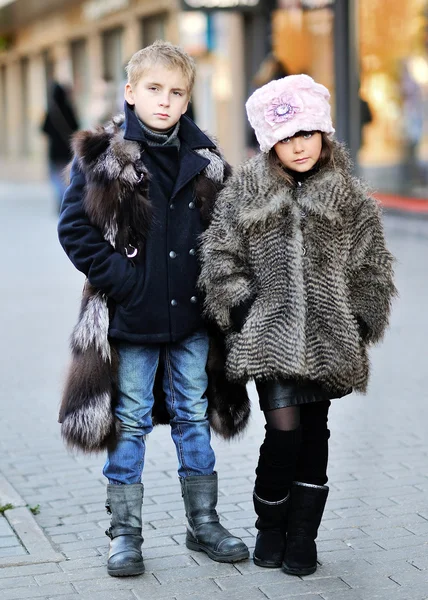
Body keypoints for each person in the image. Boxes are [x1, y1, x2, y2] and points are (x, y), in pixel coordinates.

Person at [57, 40, 250, 578]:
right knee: (132, 419)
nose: (164, 101)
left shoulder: (208, 161)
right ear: (130, 93)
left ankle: (203, 521)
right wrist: (123, 280)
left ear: (187, 100)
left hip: (191, 318)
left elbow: (229, 234)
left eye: (176, 92)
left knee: (193, 412)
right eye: (153, 89)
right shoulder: (105, 158)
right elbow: (74, 228)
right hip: (133, 319)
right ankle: (125, 532)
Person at [198, 74, 396, 576]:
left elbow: (373, 267)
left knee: (316, 432)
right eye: (286, 137)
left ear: (323, 134)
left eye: (306, 133)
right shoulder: (245, 192)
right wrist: (246, 313)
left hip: (329, 340)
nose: (298, 146)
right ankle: (271, 525)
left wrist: (355, 318)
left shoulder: (349, 196)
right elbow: (220, 257)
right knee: (283, 431)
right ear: (270, 144)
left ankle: (303, 536)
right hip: (269, 339)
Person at [41, 81, 79, 212]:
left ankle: (61, 200)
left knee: (56, 178)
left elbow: (44, 129)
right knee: (66, 176)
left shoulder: (51, 111)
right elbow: (76, 127)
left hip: (54, 151)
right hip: (67, 149)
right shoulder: (69, 109)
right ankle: (65, 199)